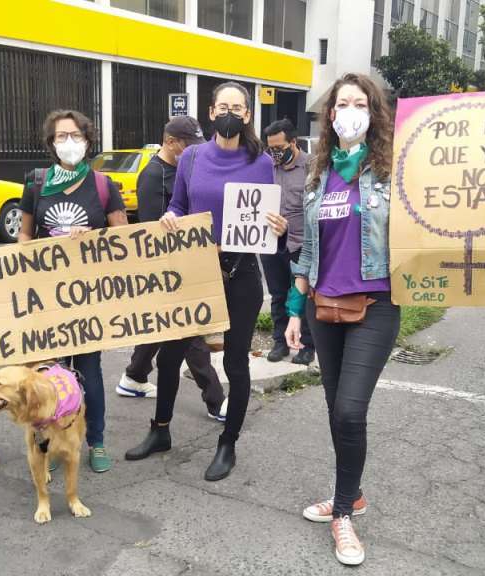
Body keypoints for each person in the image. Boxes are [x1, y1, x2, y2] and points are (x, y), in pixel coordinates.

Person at [286, 73, 485, 566]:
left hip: (379, 304)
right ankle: (354, 492)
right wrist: (293, 307)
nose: (349, 111)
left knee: (349, 410)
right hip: (325, 305)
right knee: (334, 409)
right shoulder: (318, 175)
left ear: (374, 113)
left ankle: (344, 513)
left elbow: (461, 204)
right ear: (329, 116)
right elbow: (308, 249)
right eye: (341, 103)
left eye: (359, 103)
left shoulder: (396, 172)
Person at [124, 82, 287, 482]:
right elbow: (180, 204)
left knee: (234, 362)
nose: (230, 112)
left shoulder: (262, 162)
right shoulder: (192, 157)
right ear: (212, 112)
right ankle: (159, 430)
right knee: (170, 354)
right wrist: (170, 218)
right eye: (223, 106)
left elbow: (265, 220)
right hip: (194, 272)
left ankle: (227, 444)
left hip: (241, 273)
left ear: (247, 115)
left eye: (238, 107)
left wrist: (278, 226)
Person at [18, 109, 129, 474]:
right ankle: (46, 444)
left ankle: (94, 440)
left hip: (88, 297)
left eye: (76, 135)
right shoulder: (36, 183)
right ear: (50, 143)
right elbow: (24, 235)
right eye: (61, 136)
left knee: (88, 370)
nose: (69, 142)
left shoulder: (102, 186)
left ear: (87, 140)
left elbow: (122, 238)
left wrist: (93, 239)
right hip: (47, 298)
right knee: (48, 374)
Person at [116, 116, 228, 421]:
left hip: (187, 262)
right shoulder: (153, 175)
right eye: (187, 145)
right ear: (170, 142)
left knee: (160, 324)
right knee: (189, 328)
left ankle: (134, 377)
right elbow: (155, 230)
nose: (193, 151)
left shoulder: (185, 168)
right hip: (167, 268)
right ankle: (216, 400)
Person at [262, 119, 314, 365]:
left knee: (304, 294)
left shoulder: (312, 167)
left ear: (294, 142)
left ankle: (306, 345)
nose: (275, 153)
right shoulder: (266, 167)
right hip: (271, 242)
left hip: (301, 243)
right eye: (270, 148)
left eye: (279, 147)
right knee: (278, 294)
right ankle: (280, 342)